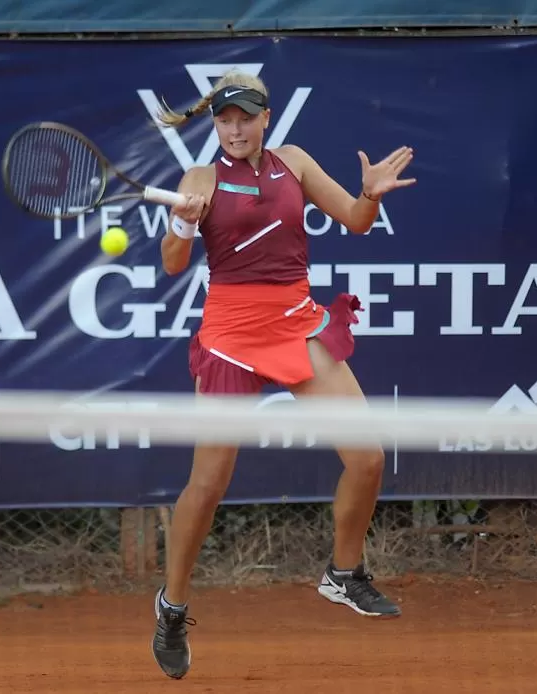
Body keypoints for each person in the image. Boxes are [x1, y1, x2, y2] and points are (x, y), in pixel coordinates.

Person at [150, 69, 417, 680]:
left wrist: (371, 193)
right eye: (225, 120)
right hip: (230, 333)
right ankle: (172, 607)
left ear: (266, 118)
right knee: (207, 486)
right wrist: (185, 222)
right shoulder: (200, 179)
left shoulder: (294, 163)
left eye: (245, 118)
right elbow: (172, 265)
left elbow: (356, 220)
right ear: (215, 125)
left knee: (368, 457)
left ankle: (344, 573)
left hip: (296, 321)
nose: (235, 130)